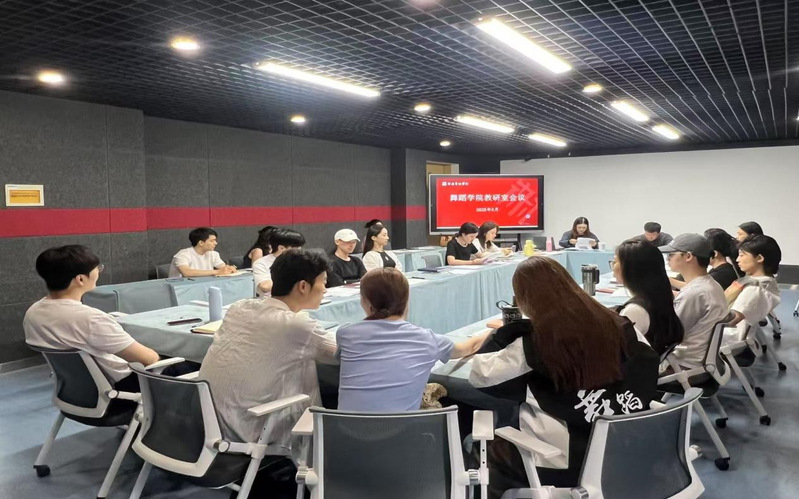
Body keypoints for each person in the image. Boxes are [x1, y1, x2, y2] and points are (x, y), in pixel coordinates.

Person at [469, 256, 659, 496]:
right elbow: (650, 364)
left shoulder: (535, 344)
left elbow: (480, 376)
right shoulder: (621, 325)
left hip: (563, 464)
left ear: (525, 300)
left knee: (479, 447)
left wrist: (503, 335)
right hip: (625, 451)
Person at [198, 250, 336, 465]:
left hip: (207, 423)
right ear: (303, 286)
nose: (325, 289)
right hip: (249, 432)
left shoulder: (239, 307)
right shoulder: (296, 325)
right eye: (323, 282)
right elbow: (345, 353)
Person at [336, 268, 490, 412]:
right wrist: (490, 332)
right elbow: (469, 348)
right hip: (406, 431)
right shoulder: (428, 339)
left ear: (366, 302)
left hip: (343, 431)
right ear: (406, 300)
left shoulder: (345, 334)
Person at [23, 245, 160, 392]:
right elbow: (149, 359)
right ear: (80, 279)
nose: (99, 272)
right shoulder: (91, 319)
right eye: (97, 269)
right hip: (122, 385)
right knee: (174, 364)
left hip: (76, 389)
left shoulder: (33, 312)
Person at [659, 234, 728, 369]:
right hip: (699, 360)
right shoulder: (710, 285)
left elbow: (669, 334)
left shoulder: (694, 293)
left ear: (688, 256)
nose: (668, 259)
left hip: (683, 364)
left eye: (671, 254)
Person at [612, 240, 684, 354]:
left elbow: (618, 351)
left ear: (631, 268)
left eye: (615, 261)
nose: (612, 266)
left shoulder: (635, 311)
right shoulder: (659, 297)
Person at [724, 235, 781, 342]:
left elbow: (730, 321)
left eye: (742, 255)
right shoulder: (765, 282)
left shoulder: (754, 289)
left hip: (727, 340)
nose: (737, 260)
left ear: (759, 258)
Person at [253, 228, 305, 296]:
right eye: (296, 249)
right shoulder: (261, 263)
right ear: (281, 248)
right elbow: (264, 287)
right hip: (271, 300)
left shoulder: (301, 260)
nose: (299, 252)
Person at [168, 227, 236, 278]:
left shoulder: (213, 254)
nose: (216, 243)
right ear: (201, 243)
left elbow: (223, 268)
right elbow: (187, 272)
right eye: (212, 241)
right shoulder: (183, 254)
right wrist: (217, 272)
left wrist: (229, 269)